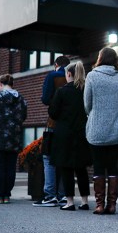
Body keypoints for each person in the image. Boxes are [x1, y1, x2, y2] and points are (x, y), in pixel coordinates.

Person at [84, 47, 118, 215]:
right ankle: (112, 205)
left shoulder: (92, 76)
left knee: (99, 166)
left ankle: (100, 205)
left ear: (100, 58)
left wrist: (94, 114)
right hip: (117, 130)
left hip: (97, 130)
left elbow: (87, 104)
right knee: (113, 166)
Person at [49, 61, 92, 211]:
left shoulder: (62, 91)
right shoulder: (85, 90)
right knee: (81, 169)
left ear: (68, 74)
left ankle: (70, 202)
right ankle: (85, 201)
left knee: (66, 168)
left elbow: (53, 113)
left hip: (64, 134)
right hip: (82, 132)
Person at [34, 55, 70, 207]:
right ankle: (63, 195)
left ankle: (50, 195)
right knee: (64, 159)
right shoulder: (75, 78)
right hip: (71, 124)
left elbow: (45, 99)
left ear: (56, 64)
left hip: (54, 122)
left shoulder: (53, 76)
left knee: (48, 157)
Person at [0, 74, 27, 204]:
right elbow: (23, 116)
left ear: (0, 84)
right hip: (14, 138)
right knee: (10, 167)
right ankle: (6, 195)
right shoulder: (21, 98)